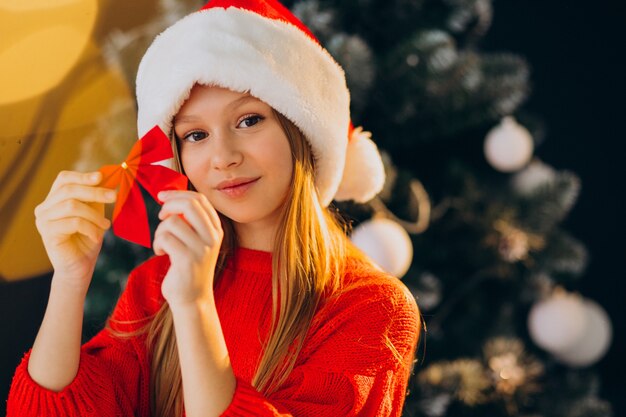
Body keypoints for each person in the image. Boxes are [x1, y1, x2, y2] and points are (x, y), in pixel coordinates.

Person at [7, 0, 421, 416]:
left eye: (249, 121)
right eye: (196, 134)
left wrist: (194, 307)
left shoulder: (372, 307)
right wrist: (70, 280)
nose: (222, 157)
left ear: (301, 130)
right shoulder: (154, 285)